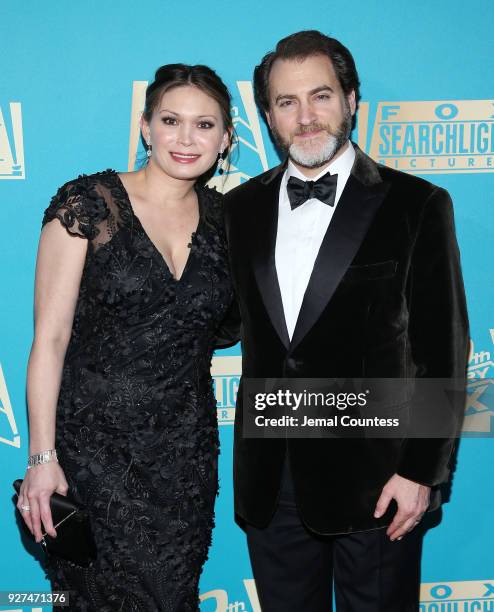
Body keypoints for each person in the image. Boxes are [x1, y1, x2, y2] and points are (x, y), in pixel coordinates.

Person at [224, 30, 469, 611]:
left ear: (352, 99)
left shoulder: (416, 204)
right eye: (287, 102)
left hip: (378, 479)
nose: (306, 117)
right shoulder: (239, 208)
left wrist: (420, 472)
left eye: (321, 96)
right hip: (272, 476)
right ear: (267, 116)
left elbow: (443, 346)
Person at [17, 63, 237, 611]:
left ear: (227, 138)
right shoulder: (89, 204)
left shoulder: (229, 221)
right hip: (94, 450)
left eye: (205, 125)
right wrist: (41, 458)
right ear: (145, 127)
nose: (186, 139)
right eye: (171, 120)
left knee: (171, 594)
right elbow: (49, 339)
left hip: (183, 455)